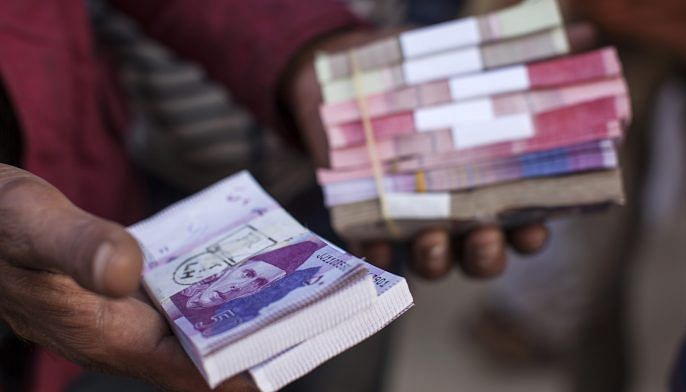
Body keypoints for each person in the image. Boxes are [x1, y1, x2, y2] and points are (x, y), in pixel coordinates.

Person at [0, 1, 548, 391]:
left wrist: (308, 47)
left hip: (105, 191)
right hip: (119, 202)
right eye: (252, 276)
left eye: (255, 278)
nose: (245, 276)